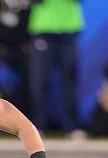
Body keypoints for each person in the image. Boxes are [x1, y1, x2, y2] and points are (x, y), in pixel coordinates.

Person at [27, 0, 85, 140]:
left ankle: (71, 126)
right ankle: (38, 125)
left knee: (70, 80)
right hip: (43, 28)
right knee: (39, 81)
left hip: (69, 28)